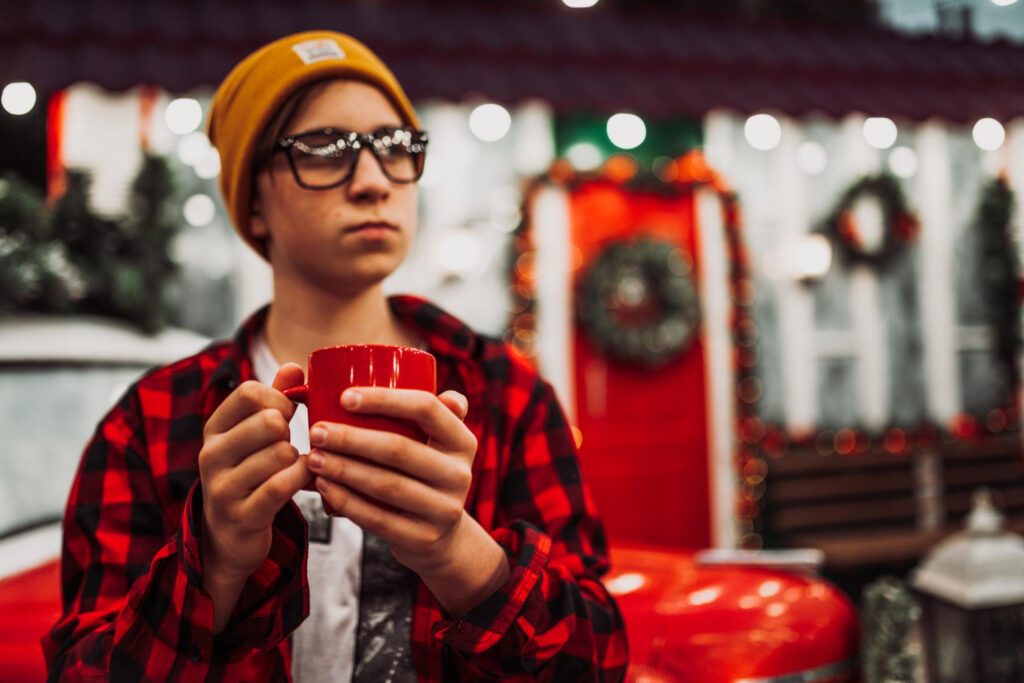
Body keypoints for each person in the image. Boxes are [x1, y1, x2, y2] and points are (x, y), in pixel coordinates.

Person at [42, 31, 627, 682]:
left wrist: (459, 553)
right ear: (253, 202)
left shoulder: (504, 393)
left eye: (396, 147)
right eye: (324, 149)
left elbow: (596, 658)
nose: (375, 180)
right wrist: (216, 561)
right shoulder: (155, 419)